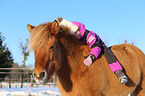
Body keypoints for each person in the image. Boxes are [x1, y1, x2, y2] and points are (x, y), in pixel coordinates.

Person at [56, 17, 128, 84]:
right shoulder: (75, 38)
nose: (76, 35)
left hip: (98, 45)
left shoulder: (88, 35)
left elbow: (96, 46)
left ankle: (119, 72)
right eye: (73, 35)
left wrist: (92, 56)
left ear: (79, 29)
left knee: (108, 54)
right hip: (86, 48)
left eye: (76, 32)